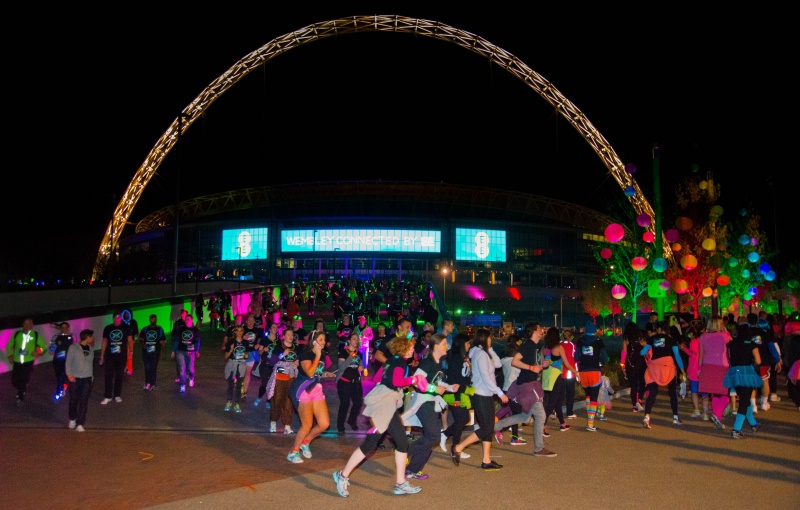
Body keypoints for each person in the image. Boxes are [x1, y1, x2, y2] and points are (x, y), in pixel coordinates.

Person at [332, 335, 426, 497]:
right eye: (410, 347)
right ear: (402, 348)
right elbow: (397, 381)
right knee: (371, 444)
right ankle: (342, 475)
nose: (413, 349)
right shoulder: (400, 362)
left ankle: (400, 483)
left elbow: (379, 378)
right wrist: (413, 379)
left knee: (402, 443)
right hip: (385, 406)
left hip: (386, 404)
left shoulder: (392, 360)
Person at [451, 328, 507, 470]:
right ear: (484, 339)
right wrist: (500, 393)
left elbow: (498, 364)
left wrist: (490, 348)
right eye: (489, 338)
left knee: (488, 428)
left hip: (486, 394)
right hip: (481, 394)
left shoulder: (483, 353)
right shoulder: (481, 355)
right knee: (487, 428)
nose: (491, 340)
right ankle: (458, 447)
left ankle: (486, 460)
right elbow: (486, 378)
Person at [287, 331, 334, 464]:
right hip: (303, 389)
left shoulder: (323, 355)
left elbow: (317, 373)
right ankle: (293, 452)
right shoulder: (306, 353)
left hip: (316, 389)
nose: (323, 342)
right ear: (313, 341)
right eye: (320, 339)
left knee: (324, 423)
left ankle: (305, 442)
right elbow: (309, 372)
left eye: (324, 340)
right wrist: (318, 356)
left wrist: (325, 374)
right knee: (307, 424)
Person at [640, 320, 686, 429]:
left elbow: (642, 352)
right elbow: (677, 356)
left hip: (655, 368)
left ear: (659, 329)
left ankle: (647, 416)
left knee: (653, 392)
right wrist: (683, 371)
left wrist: (647, 353)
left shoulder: (652, 339)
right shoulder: (671, 340)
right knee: (672, 393)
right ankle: (675, 417)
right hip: (668, 368)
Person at [724, 323, 763, 439]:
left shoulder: (731, 343)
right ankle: (736, 429)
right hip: (747, 373)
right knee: (745, 401)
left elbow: (728, 358)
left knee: (744, 399)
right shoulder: (751, 344)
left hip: (734, 373)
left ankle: (753, 424)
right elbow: (758, 361)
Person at [440, 333, 473, 459]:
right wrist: (457, 398)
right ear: (461, 344)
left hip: (463, 392)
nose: (469, 345)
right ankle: (456, 448)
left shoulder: (463, 357)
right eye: (467, 343)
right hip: (455, 394)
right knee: (461, 420)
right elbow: (454, 379)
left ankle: (446, 434)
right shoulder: (455, 358)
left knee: (464, 419)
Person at [541, 327, 577, 433]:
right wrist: (576, 372)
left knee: (557, 401)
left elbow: (541, 363)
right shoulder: (559, 347)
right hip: (556, 376)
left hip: (546, 377)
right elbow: (567, 364)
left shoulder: (544, 348)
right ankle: (542, 426)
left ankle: (562, 423)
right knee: (552, 402)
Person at [698, 316, 732, 430]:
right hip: (722, 366)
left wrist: (699, 369)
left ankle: (718, 419)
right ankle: (717, 415)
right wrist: (726, 332)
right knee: (725, 394)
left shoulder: (703, 337)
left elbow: (701, 355)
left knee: (715, 393)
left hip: (707, 366)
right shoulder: (725, 336)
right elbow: (734, 346)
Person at [574, 320, 608, 431]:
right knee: (594, 397)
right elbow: (604, 357)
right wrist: (601, 362)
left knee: (588, 396)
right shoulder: (599, 341)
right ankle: (590, 423)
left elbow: (576, 357)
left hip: (583, 372)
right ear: (594, 330)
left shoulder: (580, 341)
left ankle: (590, 421)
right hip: (594, 371)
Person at [6, 317, 48, 406]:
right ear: (23, 325)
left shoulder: (35, 335)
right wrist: (10, 355)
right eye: (26, 323)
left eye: (30, 323)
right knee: (14, 380)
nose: (29, 325)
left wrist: (38, 352)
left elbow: (44, 347)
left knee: (24, 378)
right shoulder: (17, 334)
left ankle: (20, 397)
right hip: (17, 361)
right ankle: (23, 387)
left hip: (28, 362)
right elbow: (9, 345)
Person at [266, 328, 299, 434]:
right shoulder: (278, 347)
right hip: (280, 377)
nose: (290, 337)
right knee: (277, 399)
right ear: (283, 336)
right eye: (288, 334)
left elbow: (301, 359)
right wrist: (282, 355)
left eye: (292, 335)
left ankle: (287, 424)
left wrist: (298, 361)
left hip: (291, 377)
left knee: (289, 401)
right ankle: (273, 421)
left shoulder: (296, 348)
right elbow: (271, 362)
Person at [99, 312, 134, 405]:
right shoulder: (108, 328)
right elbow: (104, 342)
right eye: (115, 318)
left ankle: (117, 395)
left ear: (121, 319)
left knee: (119, 375)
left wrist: (131, 352)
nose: (116, 320)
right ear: (113, 318)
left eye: (118, 318)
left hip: (121, 356)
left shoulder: (126, 327)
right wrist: (102, 356)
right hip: (110, 356)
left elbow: (130, 341)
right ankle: (107, 396)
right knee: (108, 376)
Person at [334, 332, 365, 434]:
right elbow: (341, 367)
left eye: (357, 339)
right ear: (349, 341)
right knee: (345, 403)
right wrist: (351, 356)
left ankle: (351, 420)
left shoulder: (359, 353)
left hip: (355, 381)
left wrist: (361, 367)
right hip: (344, 381)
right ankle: (340, 426)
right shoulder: (343, 352)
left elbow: (360, 365)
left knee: (358, 402)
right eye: (354, 339)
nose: (356, 341)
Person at [66, 329, 95, 432]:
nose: (93, 338)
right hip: (75, 378)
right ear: (87, 337)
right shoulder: (73, 347)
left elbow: (91, 364)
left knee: (84, 401)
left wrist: (91, 377)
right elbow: (68, 362)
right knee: (73, 400)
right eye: (92, 336)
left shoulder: (91, 349)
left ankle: (80, 423)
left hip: (86, 379)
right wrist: (69, 375)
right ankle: (72, 419)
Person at [621, 322, 647, 413]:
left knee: (634, 386)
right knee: (642, 382)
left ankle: (634, 406)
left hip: (630, 364)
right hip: (641, 363)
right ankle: (639, 399)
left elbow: (624, 352)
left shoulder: (626, 339)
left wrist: (622, 363)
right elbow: (646, 350)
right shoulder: (641, 339)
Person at [171, 315, 201, 393]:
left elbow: (197, 341)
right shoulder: (181, 329)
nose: (187, 320)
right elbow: (176, 340)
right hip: (181, 351)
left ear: (192, 320)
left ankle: (191, 378)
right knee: (181, 369)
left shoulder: (195, 330)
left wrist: (197, 350)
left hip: (191, 351)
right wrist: (173, 351)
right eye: (186, 319)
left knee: (190, 368)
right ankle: (182, 384)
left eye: (189, 319)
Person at [254, 321, 280, 408]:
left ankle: (268, 401)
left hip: (274, 365)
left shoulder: (278, 340)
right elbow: (259, 352)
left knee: (272, 384)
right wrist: (263, 350)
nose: (275, 329)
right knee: (264, 383)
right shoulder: (264, 339)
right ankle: (259, 397)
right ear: (269, 329)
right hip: (265, 364)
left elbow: (280, 353)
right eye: (273, 327)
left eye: (276, 327)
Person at [223, 324, 248, 412]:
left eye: (241, 331)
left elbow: (246, 355)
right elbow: (226, 356)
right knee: (230, 385)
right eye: (237, 331)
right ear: (235, 332)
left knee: (238, 385)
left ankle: (237, 403)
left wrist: (245, 354)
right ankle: (229, 401)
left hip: (241, 364)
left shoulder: (246, 342)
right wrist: (231, 349)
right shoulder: (231, 342)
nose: (239, 333)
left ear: (243, 332)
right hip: (232, 364)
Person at [138, 314, 166, 391]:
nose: (153, 320)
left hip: (155, 351)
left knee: (153, 367)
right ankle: (147, 383)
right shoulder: (145, 329)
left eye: (155, 319)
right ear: (149, 320)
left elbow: (163, 341)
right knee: (147, 367)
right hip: (146, 352)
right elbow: (140, 339)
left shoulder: (159, 329)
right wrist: (143, 343)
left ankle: (153, 383)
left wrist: (164, 352)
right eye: (152, 319)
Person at [241, 314, 265, 400]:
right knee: (240, 371)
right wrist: (242, 337)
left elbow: (259, 340)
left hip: (251, 353)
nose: (251, 322)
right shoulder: (242, 329)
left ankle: (244, 391)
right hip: (241, 352)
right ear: (246, 321)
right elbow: (235, 338)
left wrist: (258, 345)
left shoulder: (257, 330)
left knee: (248, 372)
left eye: (252, 321)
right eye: (249, 321)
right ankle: (238, 385)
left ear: (254, 322)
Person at [49, 321, 75, 400]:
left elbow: (77, 348)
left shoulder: (72, 337)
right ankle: (63, 386)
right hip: (57, 360)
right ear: (60, 328)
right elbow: (50, 349)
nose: (64, 329)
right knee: (59, 376)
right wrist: (56, 344)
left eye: (65, 327)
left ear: (68, 328)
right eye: (62, 327)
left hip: (68, 361)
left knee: (63, 376)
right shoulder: (56, 337)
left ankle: (58, 392)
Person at [171, 309, 189, 382]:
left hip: (186, 345)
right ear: (181, 315)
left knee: (187, 361)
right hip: (179, 345)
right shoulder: (177, 323)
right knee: (178, 362)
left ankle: (187, 374)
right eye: (184, 314)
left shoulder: (188, 323)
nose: (185, 316)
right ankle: (179, 375)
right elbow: (173, 333)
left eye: (186, 314)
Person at [122, 309, 139, 376]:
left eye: (128, 313)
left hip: (130, 341)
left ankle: (130, 368)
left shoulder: (133, 322)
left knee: (130, 355)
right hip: (123, 341)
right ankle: (126, 366)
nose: (126, 315)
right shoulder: (122, 322)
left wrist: (136, 338)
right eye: (125, 313)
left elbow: (136, 331)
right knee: (123, 355)